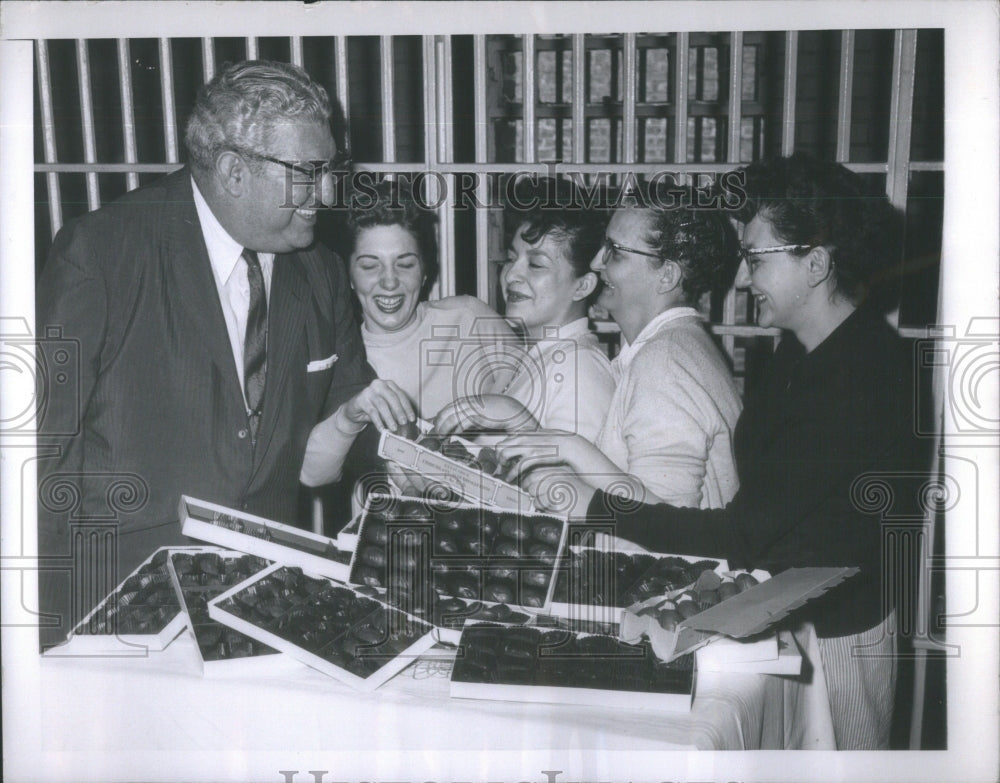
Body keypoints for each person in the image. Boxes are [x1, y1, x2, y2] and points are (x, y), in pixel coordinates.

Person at [511, 154, 924, 750]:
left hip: (841, 629)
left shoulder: (864, 372)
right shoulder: (800, 349)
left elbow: (744, 532)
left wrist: (596, 505)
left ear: (815, 263)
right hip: (787, 610)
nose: (745, 279)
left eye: (757, 260)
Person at [35, 60, 410, 648]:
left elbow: (348, 427)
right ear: (234, 171)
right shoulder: (103, 252)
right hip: (115, 607)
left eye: (330, 170)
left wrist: (410, 456)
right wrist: (41, 630)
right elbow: (38, 451)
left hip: (262, 603)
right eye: (308, 173)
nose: (327, 193)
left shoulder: (321, 271)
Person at [499, 191, 743, 508]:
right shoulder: (674, 345)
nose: (596, 262)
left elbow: (668, 523)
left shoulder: (664, 363)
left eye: (615, 252)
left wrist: (571, 448)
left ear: (667, 276)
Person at [432, 180, 615, 442]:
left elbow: (571, 468)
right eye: (510, 259)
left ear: (583, 286)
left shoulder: (580, 369)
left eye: (536, 265)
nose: (511, 275)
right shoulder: (539, 358)